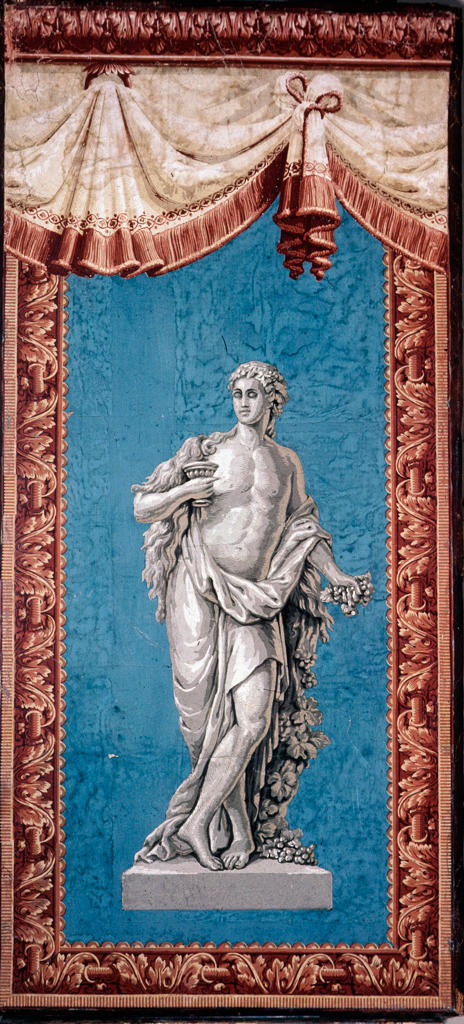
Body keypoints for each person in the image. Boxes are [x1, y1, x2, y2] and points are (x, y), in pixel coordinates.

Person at [132, 361, 369, 870]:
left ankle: (197, 821)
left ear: (271, 402)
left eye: (253, 394)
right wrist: (183, 493)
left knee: (252, 718)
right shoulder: (205, 451)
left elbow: (303, 529)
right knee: (206, 727)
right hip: (198, 586)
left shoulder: (286, 463)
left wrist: (338, 576)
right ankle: (237, 829)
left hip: (260, 597)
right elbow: (143, 507)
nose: (242, 402)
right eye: (237, 393)